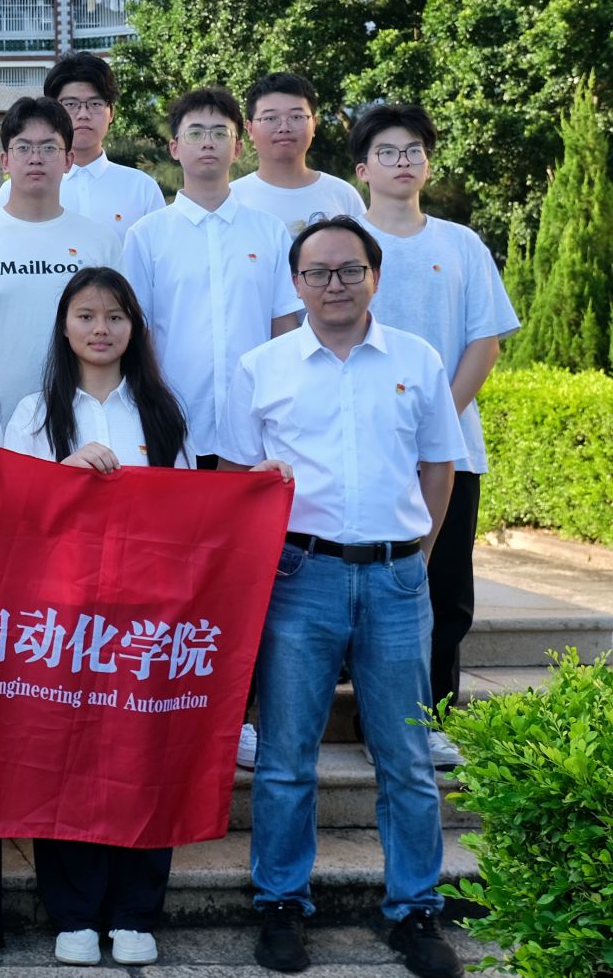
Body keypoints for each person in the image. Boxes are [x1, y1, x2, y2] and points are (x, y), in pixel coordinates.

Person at [217, 218, 467, 978]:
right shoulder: (261, 367)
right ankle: (281, 904)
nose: (335, 284)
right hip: (299, 576)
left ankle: (415, 909)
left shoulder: (417, 360)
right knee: (287, 755)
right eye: (318, 272)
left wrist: (416, 556)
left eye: (350, 270)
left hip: (396, 577)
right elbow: (237, 477)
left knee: (407, 758)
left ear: (374, 277)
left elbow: (438, 464)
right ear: (296, 283)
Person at [2, 268, 192, 968]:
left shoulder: (163, 413)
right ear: (64, 325)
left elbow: (191, 516)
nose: (101, 329)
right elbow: (10, 513)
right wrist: (64, 472)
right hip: (63, 618)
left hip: (145, 618)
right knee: (66, 757)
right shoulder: (35, 413)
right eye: (86, 315)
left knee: (143, 755)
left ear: (134, 327)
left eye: (115, 316)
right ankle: (75, 910)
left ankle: (136, 908)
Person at [353, 103, 518, 769]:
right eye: (387, 152)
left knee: (442, 589)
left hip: (449, 448)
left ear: (427, 163)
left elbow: (485, 339)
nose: (403, 162)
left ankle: (429, 719)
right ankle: (373, 720)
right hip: (360, 448)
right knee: (363, 590)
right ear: (362, 169)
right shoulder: (341, 243)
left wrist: (436, 421)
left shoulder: (461, 244)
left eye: (414, 151)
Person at [122, 87, 302, 463]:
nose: (208, 142)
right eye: (196, 133)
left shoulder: (269, 231)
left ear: (238, 148)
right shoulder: (147, 235)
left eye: (220, 132)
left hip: (256, 422)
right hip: (174, 424)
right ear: (175, 148)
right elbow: (138, 330)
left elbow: (284, 326)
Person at [0, 98, 123, 418]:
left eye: (49, 148)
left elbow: (120, 333)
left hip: (83, 421)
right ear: (4, 161)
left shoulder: (101, 242)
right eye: (23, 148)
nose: (35, 158)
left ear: (68, 160)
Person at [0, 53, 163, 239]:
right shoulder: (15, 189)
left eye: (95, 104)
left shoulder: (141, 188)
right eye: (71, 104)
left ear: (111, 112)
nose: (83, 114)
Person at [232, 72, 364, 237]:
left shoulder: (342, 195)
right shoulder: (231, 198)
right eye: (270, 118)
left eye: (296, 116)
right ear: (250, 129)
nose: (284, 128)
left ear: (314, 124)